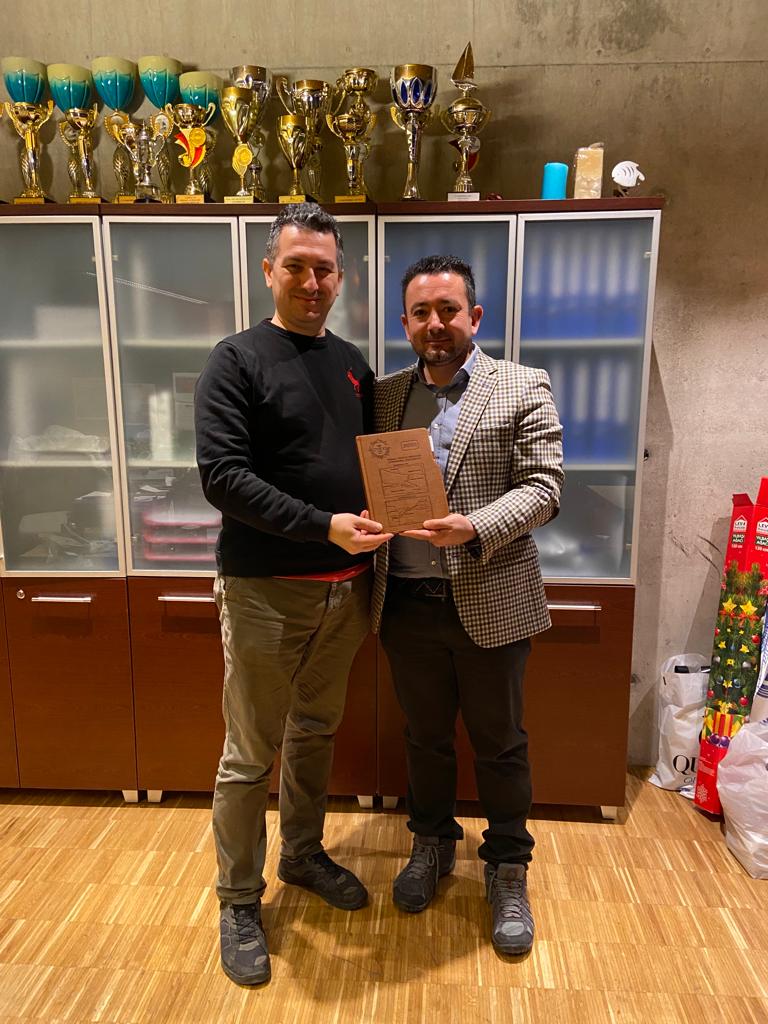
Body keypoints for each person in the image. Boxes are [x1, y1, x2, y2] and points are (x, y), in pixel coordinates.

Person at [195, 204, 390, 986]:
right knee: (249, 755)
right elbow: (223, 478)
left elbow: (374, 462)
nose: (312, 281)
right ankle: (238, 899)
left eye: (325, 269)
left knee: (315, 733)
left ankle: (303, 855)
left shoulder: (352, 364)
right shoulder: (235, 361)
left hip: (347, 593)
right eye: (297, 266)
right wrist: (324, 527)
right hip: (265, 594)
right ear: (269, 270)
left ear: (342, 277)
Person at [371, 254, 564, 956]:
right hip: (406, 603)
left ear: (474, 317)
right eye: (421, 312)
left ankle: (508, 867)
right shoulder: (385, 396)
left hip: (491, 599)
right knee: (424, 738)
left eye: (448, 310)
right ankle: (431, 845)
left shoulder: (522, 384)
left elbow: (545, 487)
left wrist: (475, 526)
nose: (436, 323)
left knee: (499, 743)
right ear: (405, 323)